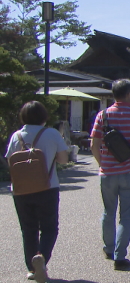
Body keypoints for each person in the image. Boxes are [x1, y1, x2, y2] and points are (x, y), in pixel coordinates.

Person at [90, 79, 130, 271]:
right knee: (126, 215)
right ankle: (120, 255)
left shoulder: (103, 115)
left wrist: (102, 164)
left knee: (108, 211)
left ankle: (108, 248)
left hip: (107, 172)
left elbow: (94, 144)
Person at [5, 101, 69, 283]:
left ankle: (32, 269)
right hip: (47, 187)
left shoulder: (16, 136)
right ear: (44, 116)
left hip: (21, 190)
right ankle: (41, 259)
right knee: (49, 228)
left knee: (28, 229)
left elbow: (10, 162)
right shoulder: (52, 133)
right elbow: (64, 160)